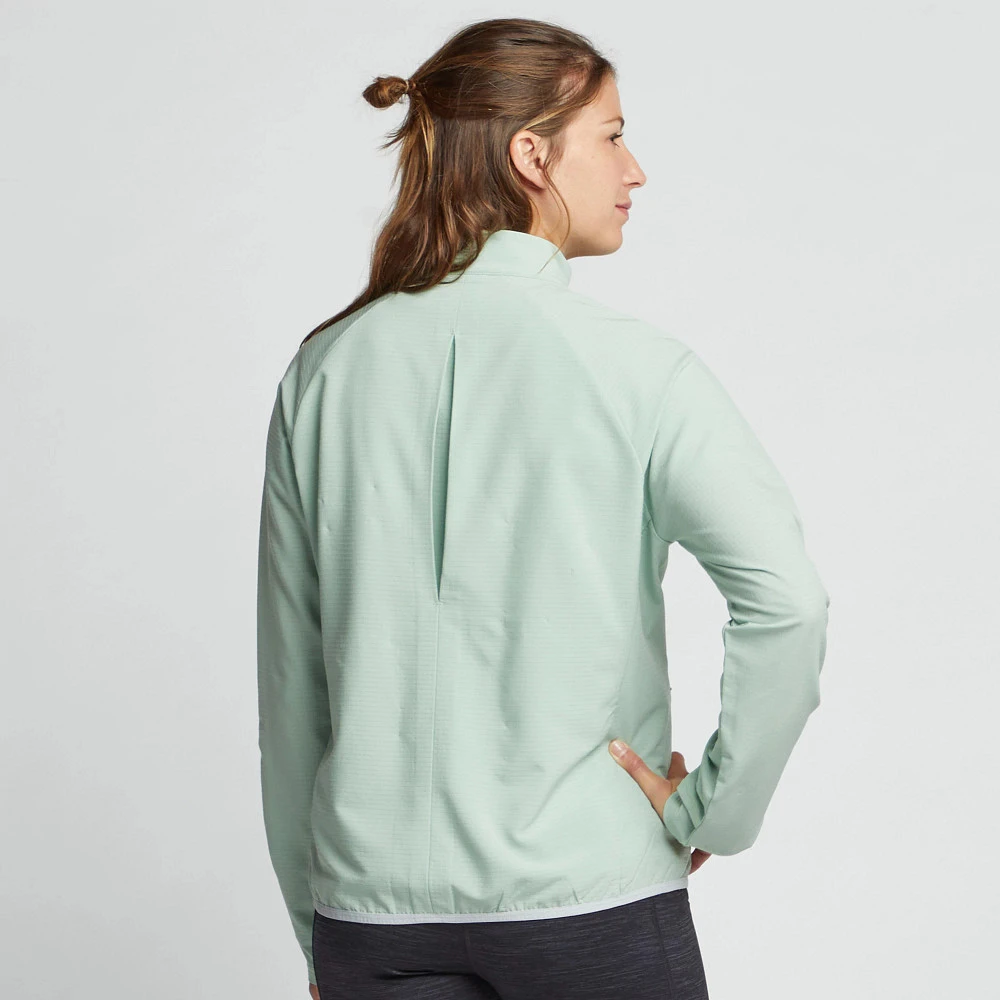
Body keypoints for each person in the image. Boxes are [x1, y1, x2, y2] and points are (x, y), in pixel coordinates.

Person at [256, 17, 830, 1000]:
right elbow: (788, 603)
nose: (635, 168)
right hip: (591, 899)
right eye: (612, 135)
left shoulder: (323, 372)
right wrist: (715, 812)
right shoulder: (638, 369)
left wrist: (321, 937)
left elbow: (292, 692)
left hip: (373, 919)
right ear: (532, 155)